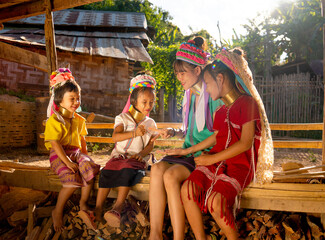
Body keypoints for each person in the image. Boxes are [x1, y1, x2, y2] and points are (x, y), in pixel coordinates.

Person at [179, 48, 274, 240]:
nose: (206, 89)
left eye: (207, 83)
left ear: (220, 79)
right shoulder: (221, 111)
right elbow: (216, 138)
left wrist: (210, 158)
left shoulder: (248, 104)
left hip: (240, 165)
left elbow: (246, 143)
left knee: (216, 202)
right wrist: (191, 151)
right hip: (216, 163)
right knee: (187, 189)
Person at [148, 36, 222, 240]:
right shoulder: (189, 95)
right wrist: (173, 131)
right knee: (156, 169)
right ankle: (155, 234)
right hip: (188, 152)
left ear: (198, 70)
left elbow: (217, 136)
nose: (179, 77)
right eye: (177, 73)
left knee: (170, 176)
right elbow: (189, 131)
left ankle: (178, 237)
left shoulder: (214, 96)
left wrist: (186, 151)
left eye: (183, 72)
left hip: (204, 154)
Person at [90, 74, 158, 228]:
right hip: (118, 157)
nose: (148, 106)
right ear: (134, 101)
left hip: (136, 159)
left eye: (152, 102)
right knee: (106, 171)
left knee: (127, 170)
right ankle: (98, 209)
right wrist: (134, 133)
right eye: (144, 102)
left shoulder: (150, 122)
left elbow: (151, 145)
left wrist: (141, 155)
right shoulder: (122, 118)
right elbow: (115, 137)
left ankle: (118, 207)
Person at [44, 68, 100, 232]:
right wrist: (67, 162)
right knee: (71, 181)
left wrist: (86, 158)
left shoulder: (79, 120)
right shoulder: (54, 121)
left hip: (76, 153)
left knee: (89, 170)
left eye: (78, 98)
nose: (76, 102)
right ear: (60, 101)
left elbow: (82, 141)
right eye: (72, 99)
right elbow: (55, 144)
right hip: (59, 154)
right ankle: (58, 210)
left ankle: (83, 203)